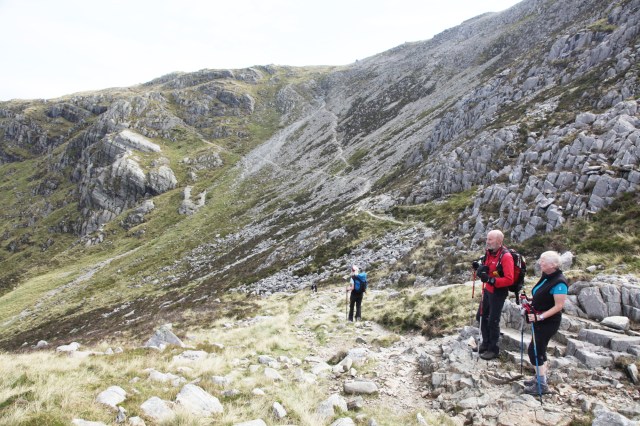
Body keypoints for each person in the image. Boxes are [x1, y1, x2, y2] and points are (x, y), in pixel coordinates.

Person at [522, 251, 568, 395]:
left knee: (534, 350)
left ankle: (541, 385)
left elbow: (558, 306)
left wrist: (540, 317)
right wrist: (530, 301)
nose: (540, 263)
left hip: (548, 321)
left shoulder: (560, 282)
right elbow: (541, 294)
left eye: (543, 261)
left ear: (554, 265)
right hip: (539, 318)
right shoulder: (547, 276)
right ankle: (539, 378)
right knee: (540, 349)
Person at [472, 229, 515, 360]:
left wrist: (491, 280)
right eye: (487, 239)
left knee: (493, 320)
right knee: (480, 317)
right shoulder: (489, 253)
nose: (487, 242)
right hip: (488, 290)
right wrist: (479, 269)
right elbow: (487, 267)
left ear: (499, 241)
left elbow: (509, 279)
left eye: (490, 239)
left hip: (498, 292)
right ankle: (485, 343)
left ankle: (493, 349)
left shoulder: (506, 257)